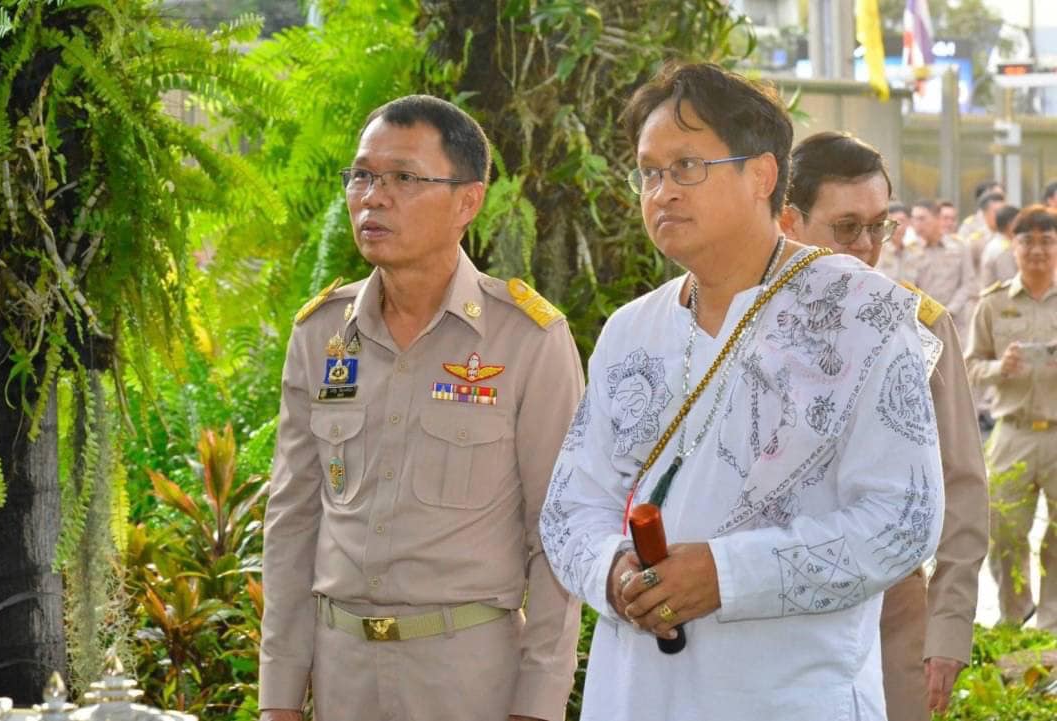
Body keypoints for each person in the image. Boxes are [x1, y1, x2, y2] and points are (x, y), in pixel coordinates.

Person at [540, 62, 943, 720]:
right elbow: (569, 508)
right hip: (636, 693)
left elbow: (903, 520)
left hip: (789, 695)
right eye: (648, 172)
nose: (662, 192)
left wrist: (726, 575)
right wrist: (614, 572)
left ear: (761, 174)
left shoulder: (861, 314)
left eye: (686, 167)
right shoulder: (631, 330)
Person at [260, 95, 584, 721]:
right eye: (361, 176)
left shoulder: (527, 340)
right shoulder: (321, 333)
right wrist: (279, 696)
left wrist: (537, 704)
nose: (373, 198)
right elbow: (293, 520)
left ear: (468, 201)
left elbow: (558, 534)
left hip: (468, 675)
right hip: (342, 672)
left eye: (404, 178)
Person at [781, 131, 988, 721]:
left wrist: (948, 627)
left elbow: (961, 483)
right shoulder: (743, 321)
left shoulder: (919, 325)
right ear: (789, 220)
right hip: (768, 613)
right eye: (847, 228)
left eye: (879, 227)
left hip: (891, 614)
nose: (868, 247)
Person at [966, 204, 1057, 632]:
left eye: (1047, 241)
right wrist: (999, 367)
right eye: (1027, 242)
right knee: (1003, 530)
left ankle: (1052, 623)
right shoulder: (994, 302)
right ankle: (1014, 613)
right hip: (1012, 432)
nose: (1037, 250)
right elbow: (970, 365)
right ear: (1013, 247)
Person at [909, 199, 978, 338]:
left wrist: (949, 311)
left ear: (936, 219)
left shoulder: (959, 246)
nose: (917, 224)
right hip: (922, 324)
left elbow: (968, 283)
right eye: (914, 219)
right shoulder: (911, 250)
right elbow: (909, 288)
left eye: (922, 219)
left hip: (954, 322)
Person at [980, 204, 1021, 288]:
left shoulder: (997, 243)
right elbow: (1009, 282)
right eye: (1019, 223)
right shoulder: (1003, 250)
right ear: (1010, 225)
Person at [876, 201, 915, 283]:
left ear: (908, 222)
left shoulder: (913, 254)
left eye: (901, 221)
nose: (898, 227)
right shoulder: (877, 252)